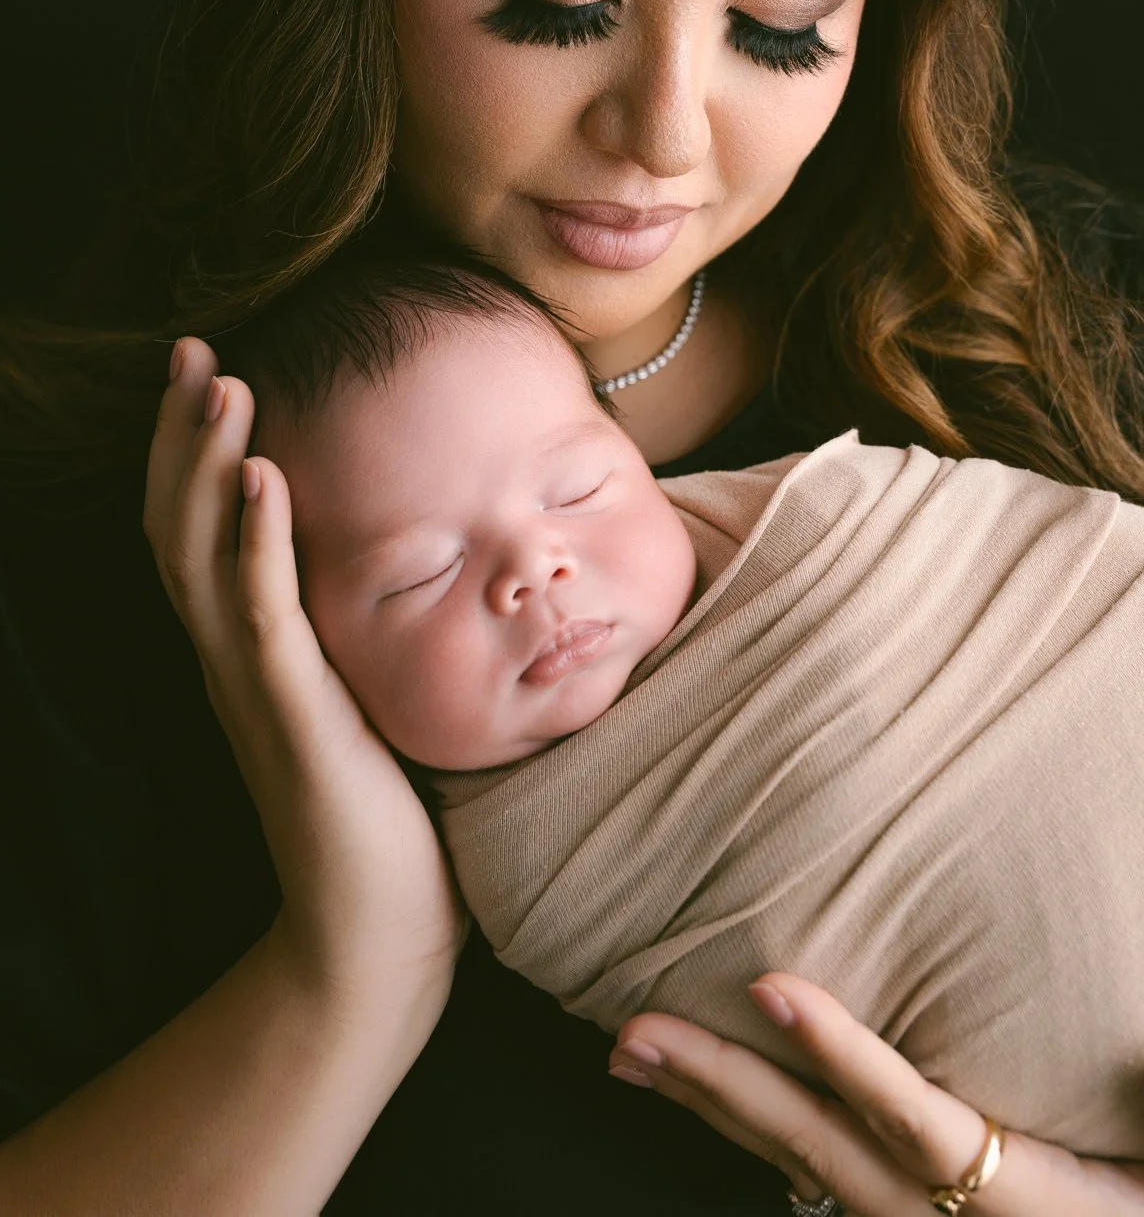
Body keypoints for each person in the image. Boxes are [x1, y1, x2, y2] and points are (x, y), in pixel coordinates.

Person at [0, 0, 1143, 1212]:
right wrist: (351, 965)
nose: (665, 135)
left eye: (783, 27)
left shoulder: (1022, 385)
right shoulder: (65, 537)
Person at [217, 237, 1144, 1163]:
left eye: (578, 489)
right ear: (308, 642)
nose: (533, 568)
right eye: (425, 573)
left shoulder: (837, 533)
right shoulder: (527, 879)